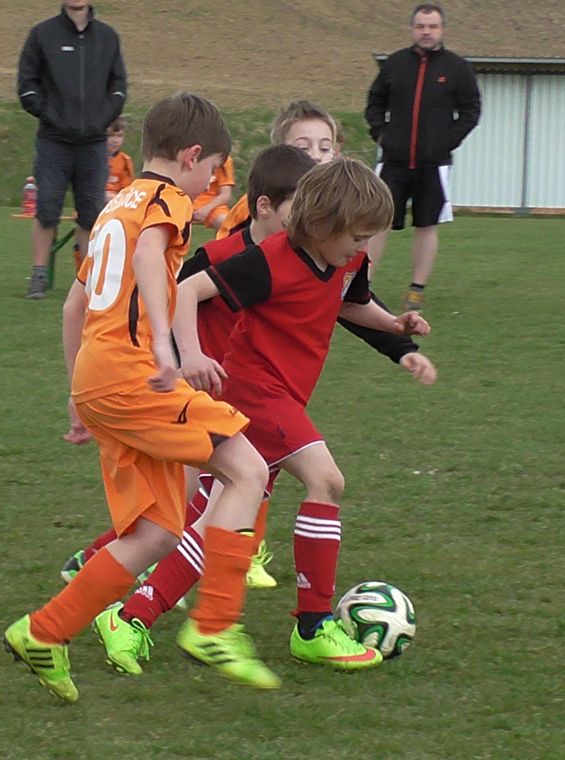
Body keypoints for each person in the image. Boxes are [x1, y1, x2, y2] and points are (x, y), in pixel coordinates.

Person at [91, 157, 435, 675]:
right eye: (357, 238)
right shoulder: (270, 260)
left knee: (216, 525)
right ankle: (314, 627)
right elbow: (187, 289)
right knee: (327, 481)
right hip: (253, 393)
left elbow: (349, 304)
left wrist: (396, 327)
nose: (363, 248)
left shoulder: (344, 260)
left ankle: (132, 616)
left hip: (282, 399)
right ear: (320, 226)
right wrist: (191, 355)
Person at [3, 93, 280, 704]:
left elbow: (76, 306)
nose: (214, 183)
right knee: (249, 468)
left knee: (157, 531)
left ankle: (44, 632)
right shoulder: (164, 200)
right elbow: (156, 260)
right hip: (134, 374)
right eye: (214, 169)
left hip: (100, 379)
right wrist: (163, 352)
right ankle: (214, 626)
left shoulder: (111, 209)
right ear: (189, 156)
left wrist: (77, 393)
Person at [364, 3, 481, 311]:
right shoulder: (395, 64)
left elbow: (471, 112)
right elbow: (374, 103)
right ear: (412, 29)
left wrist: (445, 142)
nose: (426, 32)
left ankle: (416, 288)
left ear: (442, 29)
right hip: (393, 161)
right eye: (420, 26)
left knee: (427, 225)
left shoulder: (457, 68)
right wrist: (382, 135)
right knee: (377, 222)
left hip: (434, 163)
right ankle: (362, 281)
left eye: (432, 26)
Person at [17, 0, 127, 299]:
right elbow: (26, 85)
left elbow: (118, 85)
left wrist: (101, 119)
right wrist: (50, 114)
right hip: (54, 142)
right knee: (47, 208)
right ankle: (39, 275)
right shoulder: (42, 35)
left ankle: (88, 280)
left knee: (91, 213)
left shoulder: (107, 37)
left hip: (92, 144)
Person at [214, 100, 339, 240]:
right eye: (303, 148)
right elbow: (222, 251)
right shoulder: (253, 204)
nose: (316, 156)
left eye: (324, 148)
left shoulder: (342, 202)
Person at [191, 154, 235, 231]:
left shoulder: (223, 159)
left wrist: (206, 209)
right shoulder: (187, 155)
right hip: (185, 199)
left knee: (230, 226)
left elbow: (225, 194)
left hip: (211, 204)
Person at [104, 116, 135, 202]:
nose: (115, 140)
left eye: (119, 136)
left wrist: (117, 198)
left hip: (115, 204)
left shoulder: (125, 160)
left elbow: (127, 188)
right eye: (111, 136)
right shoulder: (92, 159)